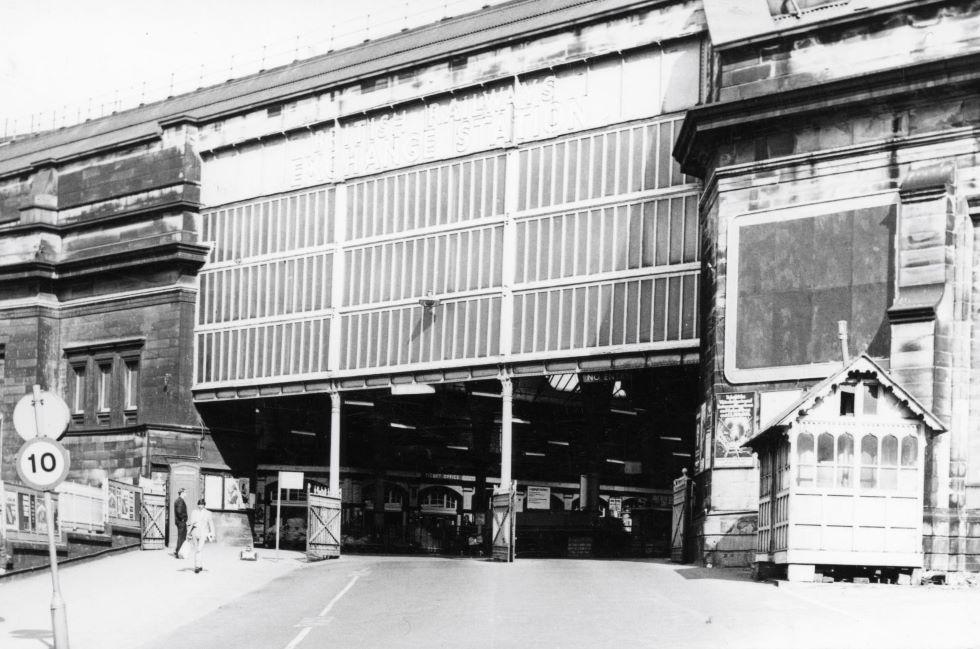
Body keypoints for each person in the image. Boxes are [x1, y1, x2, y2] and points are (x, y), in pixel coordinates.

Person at [187, 498, 216, 574]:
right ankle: (199, 566)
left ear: (204, 505)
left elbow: (211, 524)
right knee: (197, 549)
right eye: (199, 504)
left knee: (199, 549)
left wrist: (212, 533)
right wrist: (188, 533)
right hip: (195, 532)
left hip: (203, 532)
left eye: (202, 505)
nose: (200, 506)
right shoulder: (194, 512)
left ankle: (197, 566)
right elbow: (191, 523)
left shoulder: (208, 513)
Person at [173, 488, 188, 559]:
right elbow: (179, 512)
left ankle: (177, 551)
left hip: (179, 521)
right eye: (185, 493)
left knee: (181, 537)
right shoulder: (180, 501)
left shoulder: (178, 500)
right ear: (182, 493)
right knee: (181, 537)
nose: (186, 494)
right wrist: (183, 519)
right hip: (181, 522)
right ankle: (178, 552)